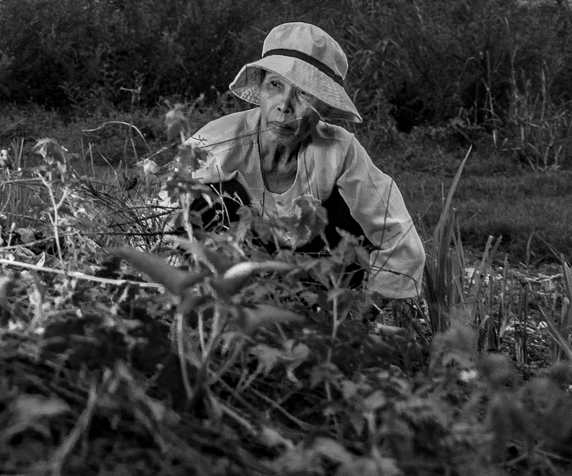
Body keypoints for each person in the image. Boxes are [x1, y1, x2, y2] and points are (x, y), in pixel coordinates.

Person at [181, 21, 425, 299]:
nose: (285, 105)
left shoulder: (340, 151)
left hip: (316, 290)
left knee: (350, 212)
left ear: (325, 107)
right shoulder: (217, 143)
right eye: (275, 85)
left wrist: (364, 308)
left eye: (304, 93)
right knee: (210, 199)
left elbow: (399, 238)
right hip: (231, 289)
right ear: (260, 88)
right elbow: (158, 213)